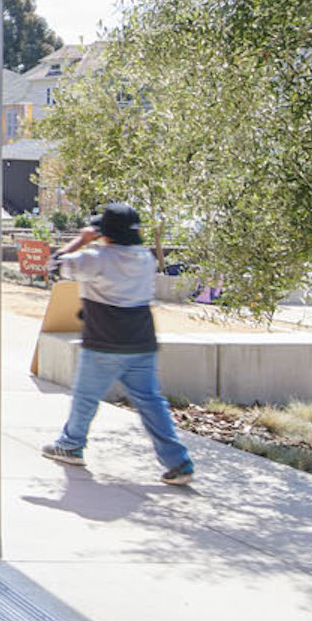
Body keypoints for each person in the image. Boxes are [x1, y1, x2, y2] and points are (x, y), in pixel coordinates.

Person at [42, 202, 195, 484]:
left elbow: (53, 265)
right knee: (150, 402)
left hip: (104, 341)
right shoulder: (146, 259)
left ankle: (71, 444)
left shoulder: (95, 258)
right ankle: (179, 462)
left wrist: (82, 239)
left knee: (85, 397)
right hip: (141, 341)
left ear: (106, 232)